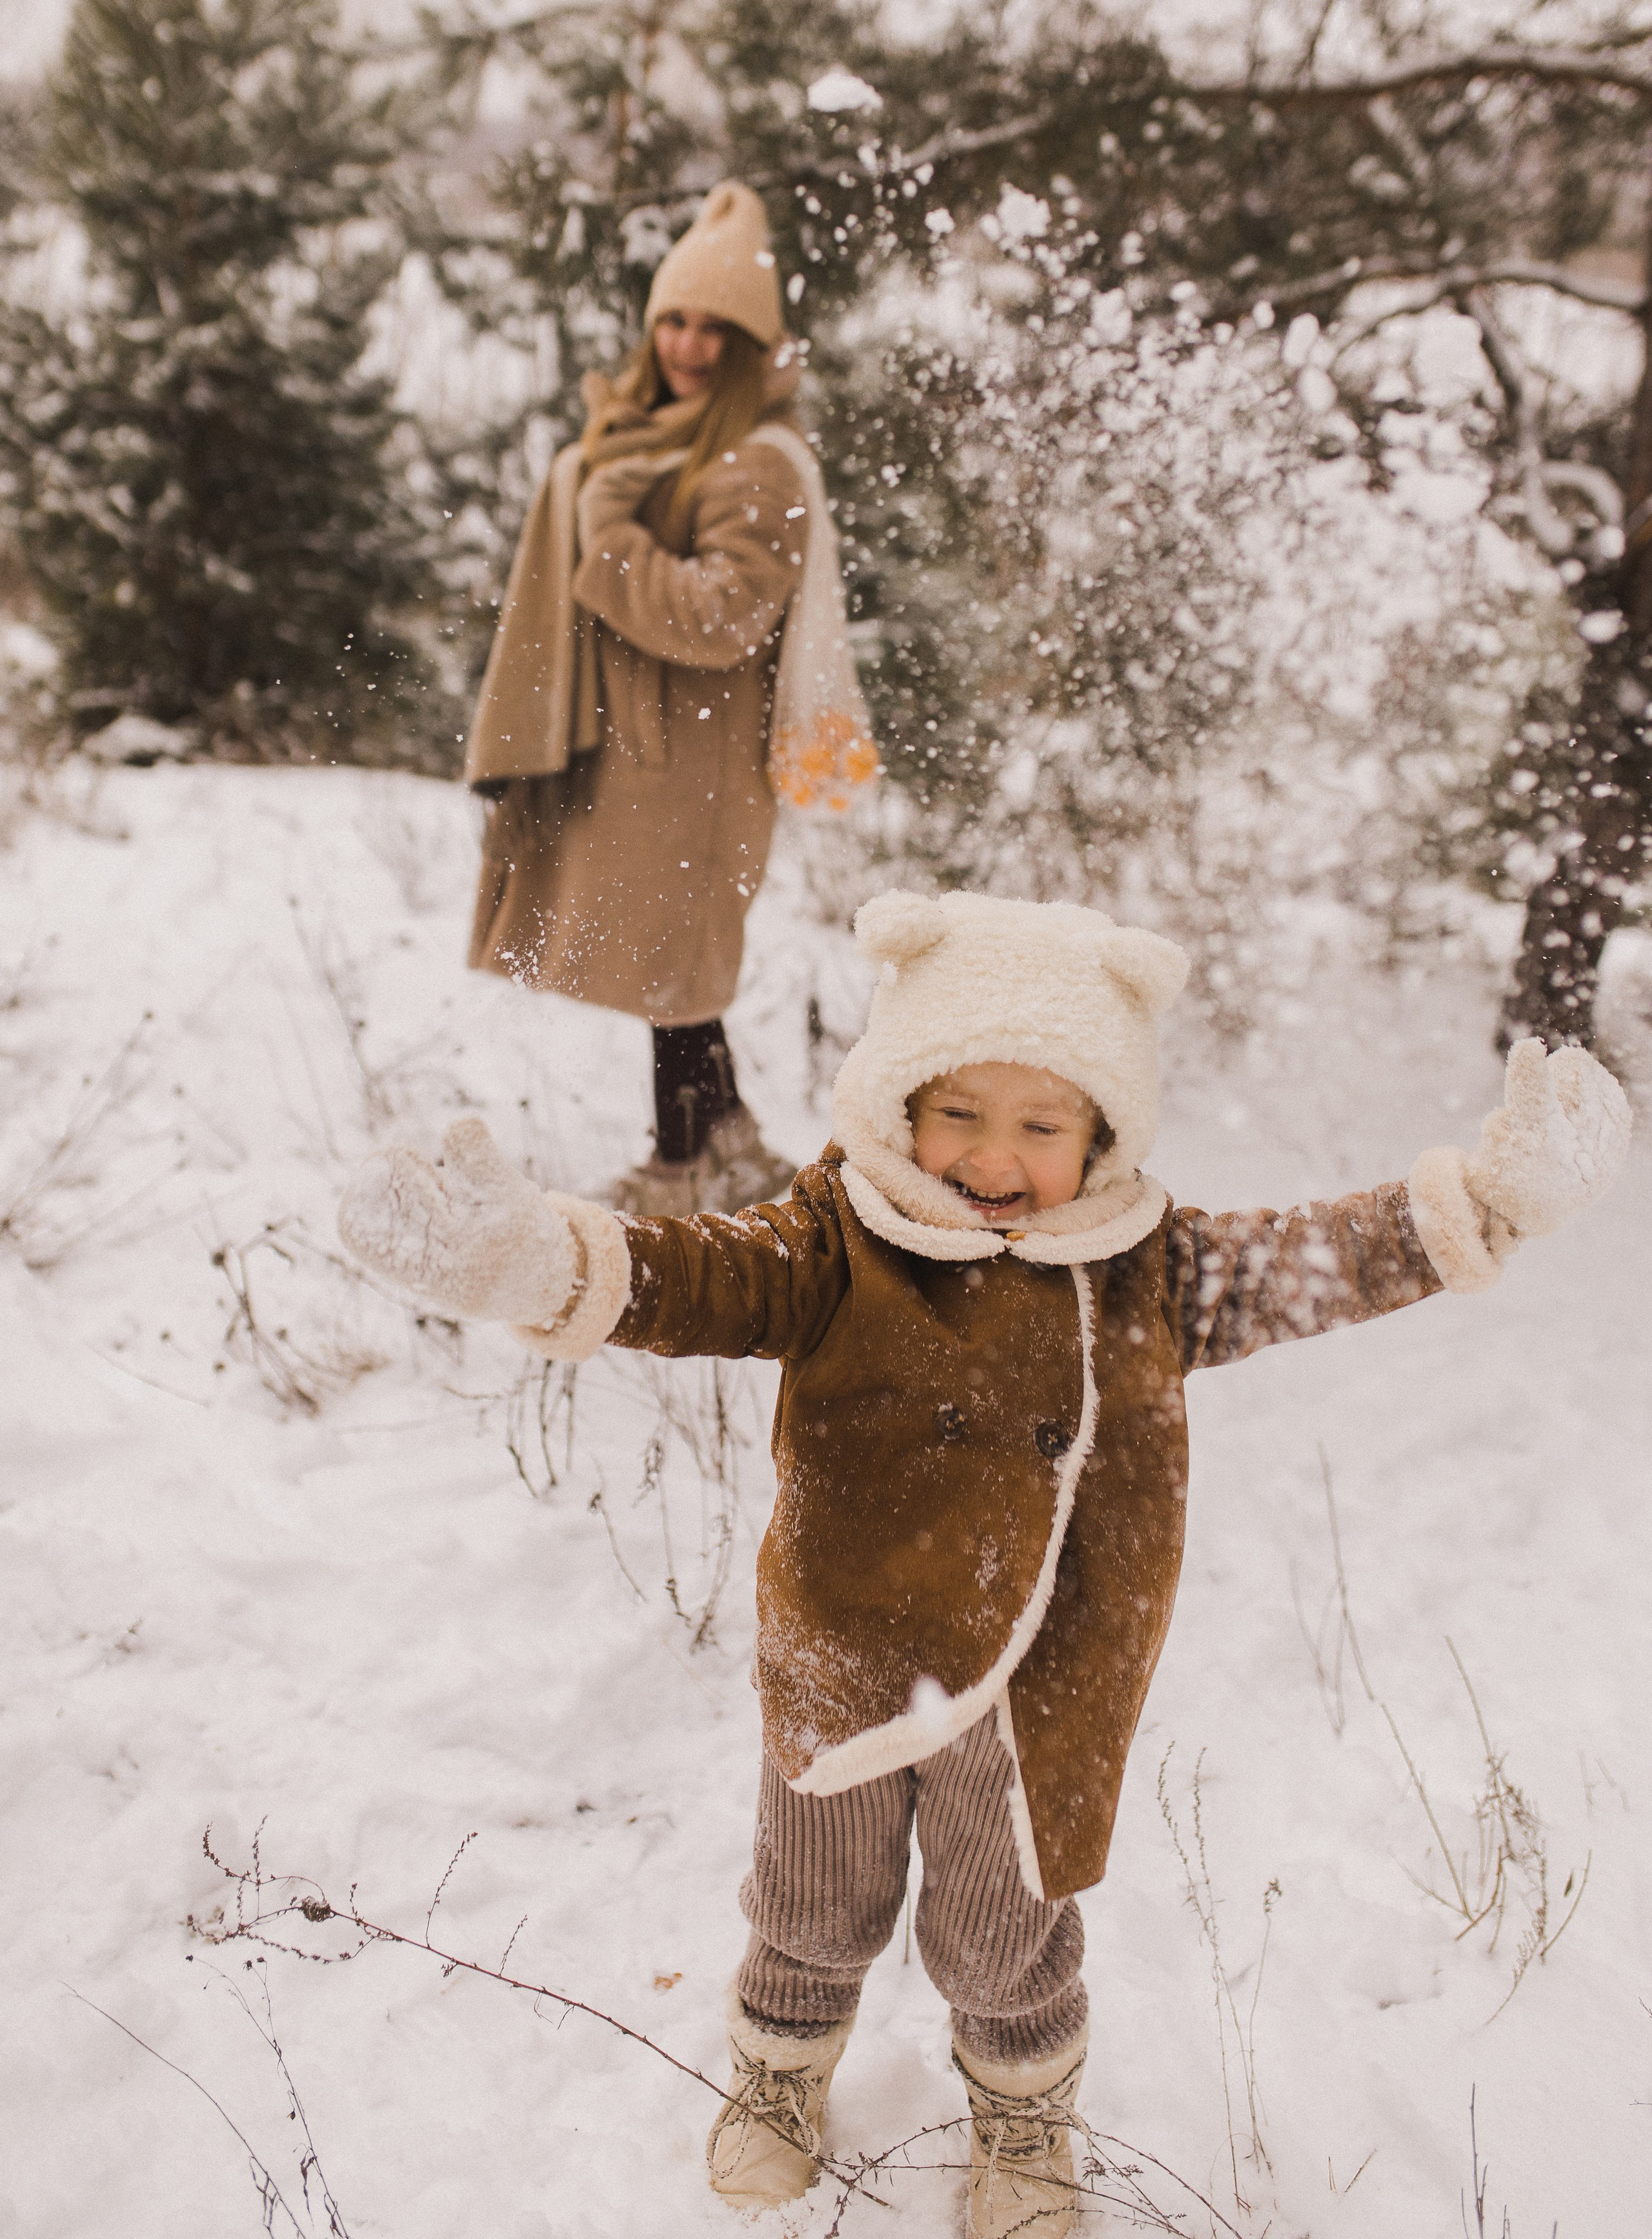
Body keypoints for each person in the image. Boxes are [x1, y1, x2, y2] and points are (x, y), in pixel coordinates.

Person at [337, 890, 1629, 2238]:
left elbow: (1324, 1256)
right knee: (811, 1896)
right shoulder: (835, 1239)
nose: (993, 1157)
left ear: (1103, 1133)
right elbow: (697, 1274)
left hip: (1038, 1684)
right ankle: (781, 2069)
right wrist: (538, 1262)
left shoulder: (1151, 1268)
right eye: (958, 1112)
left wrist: (1486, 1204)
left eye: (1042, 1126)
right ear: (899, 1102)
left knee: (1007, 1926)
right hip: (848, 1650)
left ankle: (1021, 2110)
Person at [465, 179, 875, 1215]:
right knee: (672, 974)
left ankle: (680, 1171)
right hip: (646, 754)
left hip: (698, 762)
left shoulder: (757, 461)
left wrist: (611, 538)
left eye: (716, 326)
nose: (690, 344)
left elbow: (724, 616)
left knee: (675, 970)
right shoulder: (649, 432)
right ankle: (726, 1144)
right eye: (675, 319)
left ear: (751, 344)